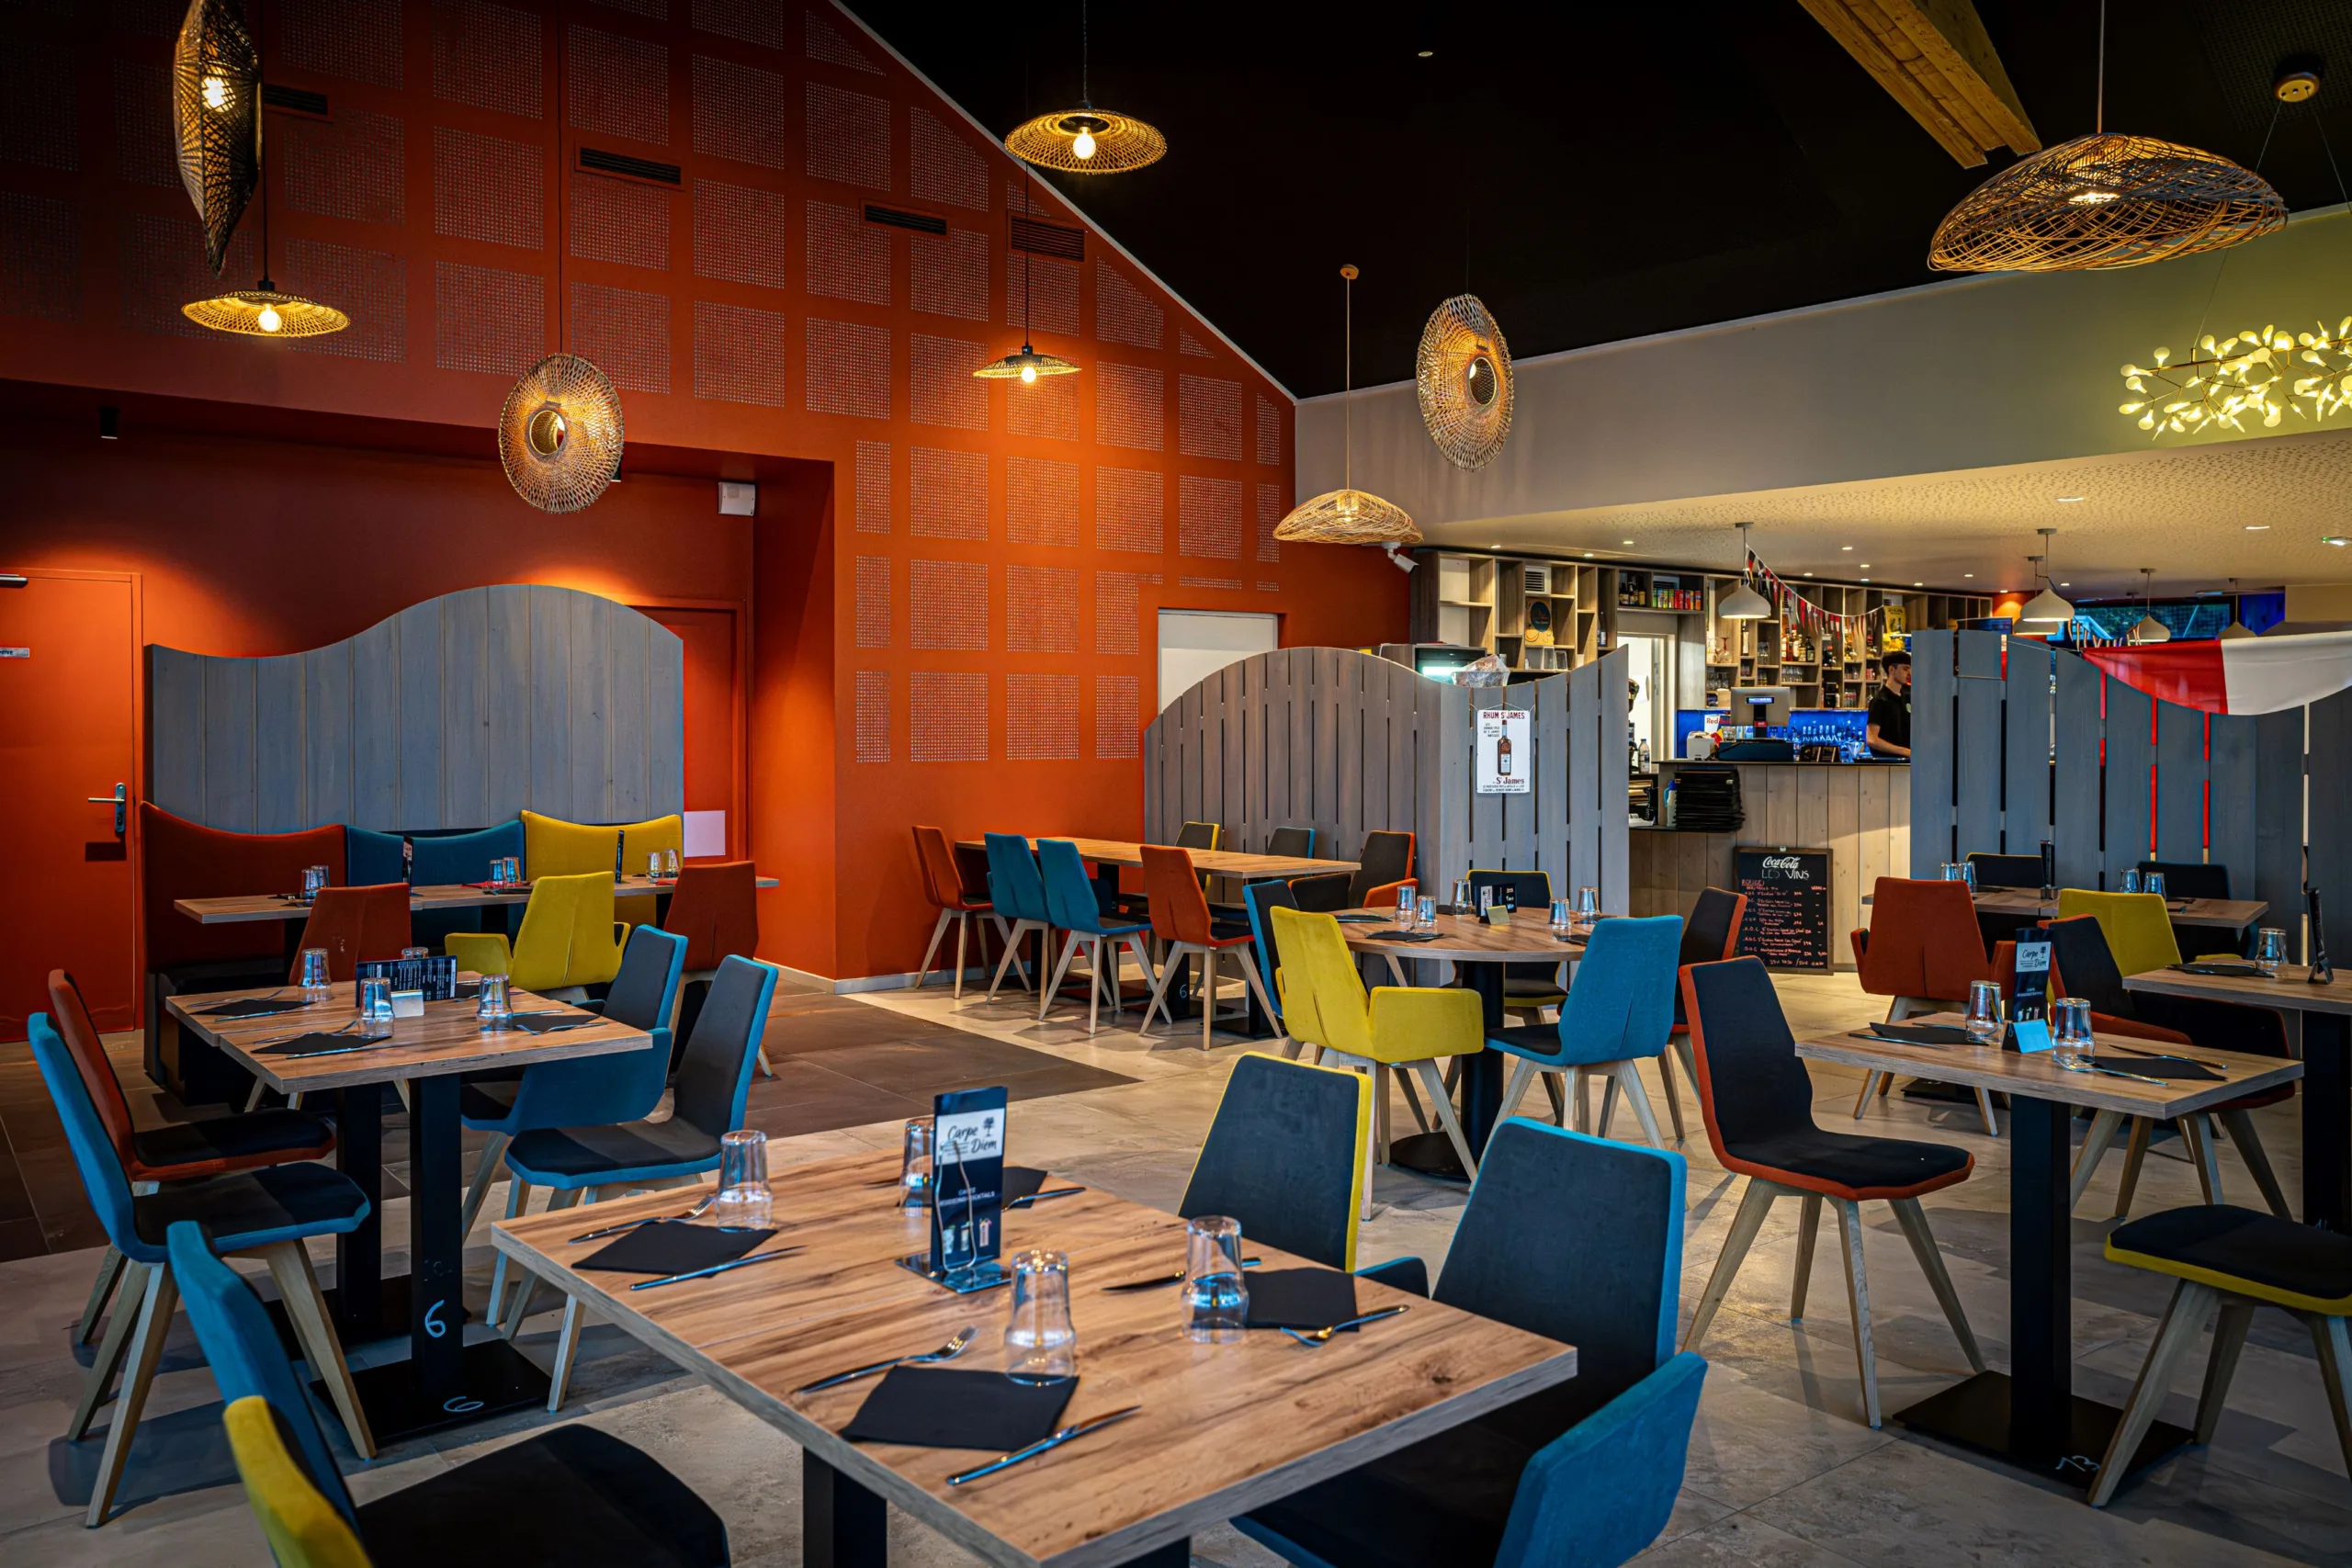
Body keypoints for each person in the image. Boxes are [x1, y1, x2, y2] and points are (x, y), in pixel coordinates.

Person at [1866, 649, 1911, 759]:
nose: (1910, 673)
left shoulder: (1908, 697)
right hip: (1886, 765)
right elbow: (1872, 739)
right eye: (1905, 669)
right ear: (1892, 669)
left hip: (1907, 765)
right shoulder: (1880, 700)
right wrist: (1905, 751)